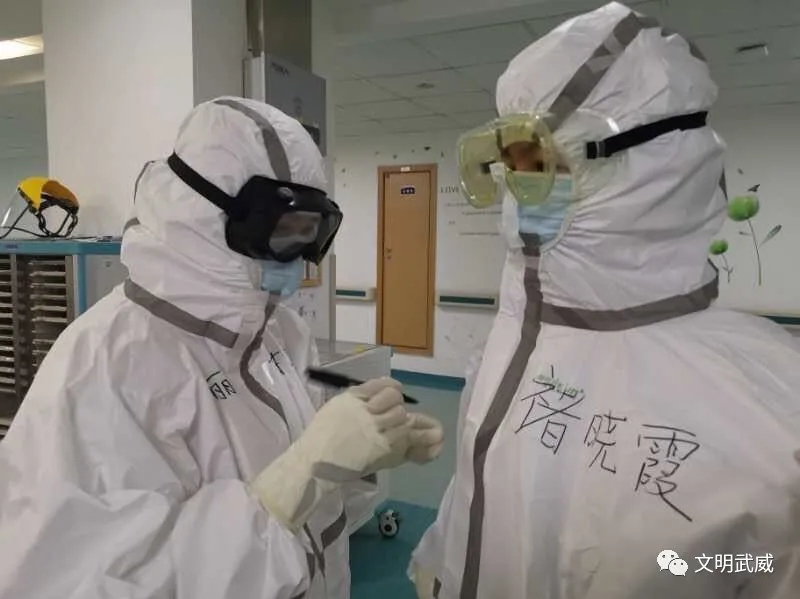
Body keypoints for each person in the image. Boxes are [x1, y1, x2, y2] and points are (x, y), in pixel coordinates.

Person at [410, 3, 800, 598]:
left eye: (541, 165)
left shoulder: (768, 422)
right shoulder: (518, 339)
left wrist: (688, 568)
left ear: (647, 168)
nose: (520, 198)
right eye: (513, 167)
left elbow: (747, 567)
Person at [0, 97, 444, 599]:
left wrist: (359, 456)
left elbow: (314, 522)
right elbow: (95, 579)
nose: (300, 259)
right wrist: (298, 476)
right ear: (211, 221)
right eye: (285, 234)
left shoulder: (277, 334)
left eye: (310, 235)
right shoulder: (103, 363)